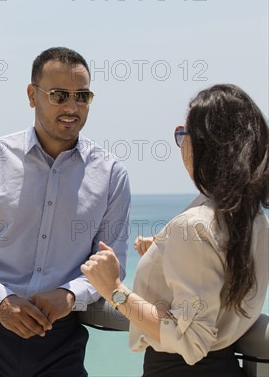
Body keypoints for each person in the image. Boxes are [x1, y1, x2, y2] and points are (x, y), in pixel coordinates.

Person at [0, 47, 131, 376]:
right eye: (59, 95)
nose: (72, 107)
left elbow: (112, 262)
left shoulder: (111, 174)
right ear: (33, 95)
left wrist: (70, 294)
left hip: (59, 338)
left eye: (82, 96)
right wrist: (1, 300)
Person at [81, 84, 269, 376]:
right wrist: (165, 254)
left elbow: (191, 340)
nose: (181, 145)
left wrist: (113, 290)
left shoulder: (195, 225)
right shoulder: (253, 218)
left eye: (184, 134)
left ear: (207, 145)